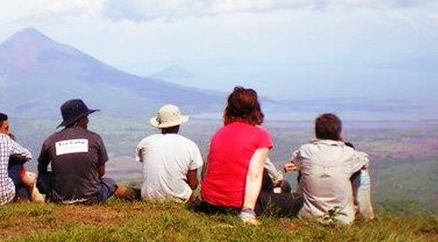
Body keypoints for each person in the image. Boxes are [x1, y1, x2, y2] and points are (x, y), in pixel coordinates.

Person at [196, 86, 303, 225]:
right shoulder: (260, 135)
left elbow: (207, 170)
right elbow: (254, 174)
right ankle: (272, 195)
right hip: (236, 205)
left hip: (210, 204)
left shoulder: (219, 133)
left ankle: (274, 192)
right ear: (255, 109)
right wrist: (247, 212)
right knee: (300, 199)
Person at [37, 99, 136, 204]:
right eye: (86, 117)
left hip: (60, 200)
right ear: (79, 120)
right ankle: (136, 196)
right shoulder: (95, 138)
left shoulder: (50, 141)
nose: (88, 121)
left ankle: (50, 198)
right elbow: (101, 172)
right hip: (91, 199)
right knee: (110, 182)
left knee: (42, 178)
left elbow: (41, 169)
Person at [283, 113, 371, 225]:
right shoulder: (348, 153)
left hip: (308, 217)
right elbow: (365, 159)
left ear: (316, 131)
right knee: (362, 173)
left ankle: (301, 205)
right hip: (342, 220)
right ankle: (366, 216)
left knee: (303, 170)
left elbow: (295, 160)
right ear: (339, 132)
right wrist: (342, 143)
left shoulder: (305, 150)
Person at [136, 104, 203, 203]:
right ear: (179, 123)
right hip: (179, 199)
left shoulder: (145, 143)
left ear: (160, 125)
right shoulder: (190, 145)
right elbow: (193, 184)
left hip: (148, 197)